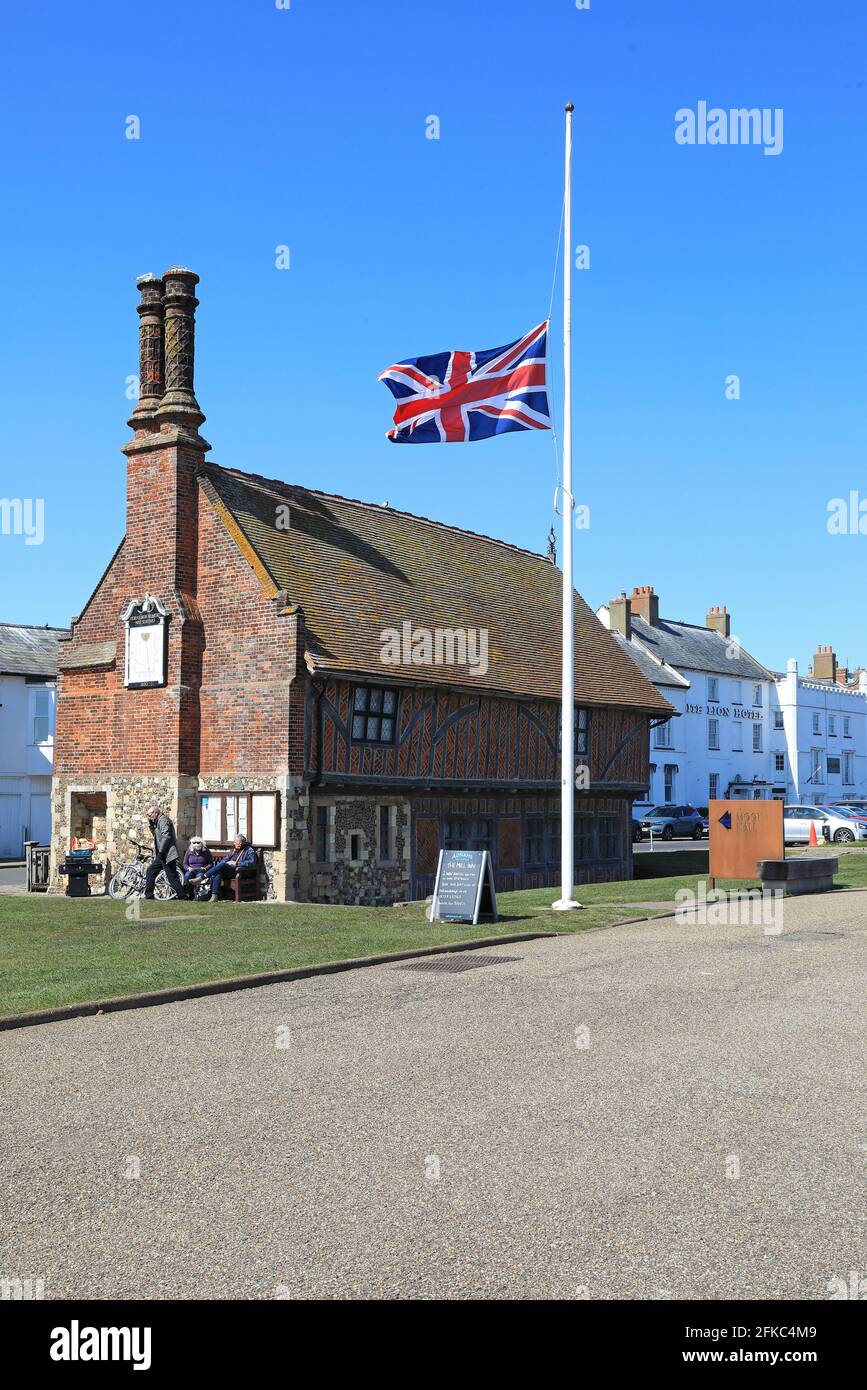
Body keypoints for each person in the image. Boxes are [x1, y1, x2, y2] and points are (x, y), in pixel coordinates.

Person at [144, 803, 183, 900]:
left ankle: (183, 895)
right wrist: (151, 824)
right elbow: (156, 835)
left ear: (155, 813)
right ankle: (149, 895)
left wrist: (161, 852)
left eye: (149, 815)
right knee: (151, 871)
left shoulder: (163, 820)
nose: (149, 817)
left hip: (167, 854)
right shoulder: (157, 821)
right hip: (162, 854)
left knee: (171, 876)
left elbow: (167, 836)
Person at [201, 834, 256, 899]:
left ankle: (203, 877)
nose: (234, 843)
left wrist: (236, 863)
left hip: (240, 872)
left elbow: (251, 863)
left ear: (240, 843)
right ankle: (214, 895)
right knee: (218, 872)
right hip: (230, 871)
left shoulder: (249, 850)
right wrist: (226, 863)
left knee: (222, 865)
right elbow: (225, 859)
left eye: (235, 842)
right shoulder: (234, 850)